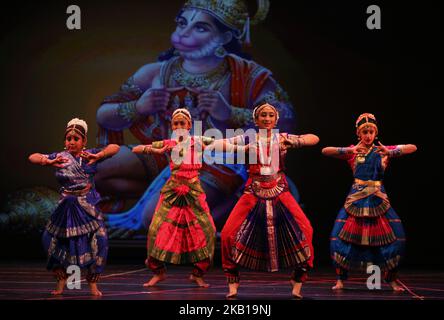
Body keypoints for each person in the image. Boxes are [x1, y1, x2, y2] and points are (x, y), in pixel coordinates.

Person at [94, 0, 300, 237]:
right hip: (167, 155)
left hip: (219, 161)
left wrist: (230, 113)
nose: (183, 33)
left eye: (200, 28)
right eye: (182, 23)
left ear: (225, 37)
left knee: (156, 219)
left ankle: (227, 207)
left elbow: (285, 121)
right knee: (94, 170)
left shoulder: (249, 76)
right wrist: (138, 106)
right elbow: (105, 115)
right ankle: (162, 198)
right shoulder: (156, 73)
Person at [133, 108, 246, 288]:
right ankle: (158, 272)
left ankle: (198, 273)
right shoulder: (168, 143)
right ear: (172, 126)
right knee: (156, 229)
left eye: (182, 123)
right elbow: (137, 149)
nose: (179, 126)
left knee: (207, 229)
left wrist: (242, 146)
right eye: (176, 123)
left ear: (189, 125)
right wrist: (154, 148)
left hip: (193, 191)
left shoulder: (198, 141)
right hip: (172, 191)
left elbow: (221, 144)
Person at [221, 103, 318, 298]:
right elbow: (223, 143)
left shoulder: (283, 138)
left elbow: (314, 138)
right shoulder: (249, 138)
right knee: (227, 235)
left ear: (276, 120)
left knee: (306, 229)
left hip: (280, 189)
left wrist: (296, 143)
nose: (267, 118)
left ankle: (298, 278)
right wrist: (240, 146)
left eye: (270, 115)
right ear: (256, 120)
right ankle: (232, 279)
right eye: (263, 115)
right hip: (253, 190)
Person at [322, 113, 417, 291]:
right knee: (340, 238)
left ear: (375, 133)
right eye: (364, 132)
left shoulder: (383, 150)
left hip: (378, 198)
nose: (368, 135)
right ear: (359, 134)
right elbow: (325, 150)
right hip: (356, 199)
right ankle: (340, 279)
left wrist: (391, 152)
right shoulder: (353, 151)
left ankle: (392, 280)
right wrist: (347, 151)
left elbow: (413, 147)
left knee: (394, 237)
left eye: (371, 132)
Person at [28, 118, 120, 296]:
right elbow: (32, 156)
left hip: (87, 206)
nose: (71, 142)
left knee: (100, 240)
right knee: (50, 240)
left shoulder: (90, 156)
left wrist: (99, 155)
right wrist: (46, 161)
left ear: (84, 141)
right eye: (68, 138)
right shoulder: (59, 157)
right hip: (66, 208)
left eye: (76, 139)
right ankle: (61, 281)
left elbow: (114, 147)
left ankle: (93, 283)